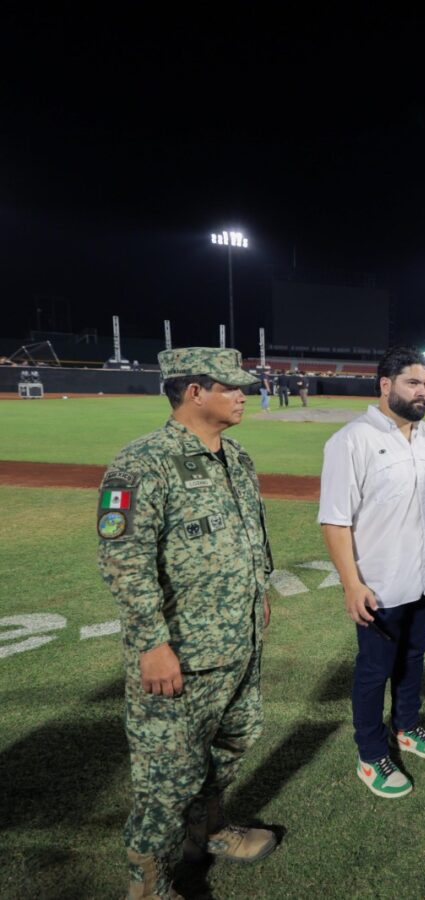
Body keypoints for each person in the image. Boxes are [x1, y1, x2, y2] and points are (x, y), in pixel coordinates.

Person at [98, 348, 277, 899]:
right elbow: (123, 561)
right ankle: (148, 887)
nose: (244, 393)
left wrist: (260, 588)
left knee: (233, 742)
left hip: (236, 642)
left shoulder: (236, 456)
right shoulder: (140, 464)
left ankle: (211, 832)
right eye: (231, 385)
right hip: (180, 656)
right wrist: (152, 643)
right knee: (166, 780)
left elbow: (251, 534)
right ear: (194, 391)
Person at [319, 347, 425, 798]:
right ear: (385, 385)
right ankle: (370, 753)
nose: (424, 392)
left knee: (413, 659)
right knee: (373, 670)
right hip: (380, 582)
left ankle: (406, 727)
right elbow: (335, 520)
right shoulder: (351, 440)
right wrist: (351, 582)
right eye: (413, 383)